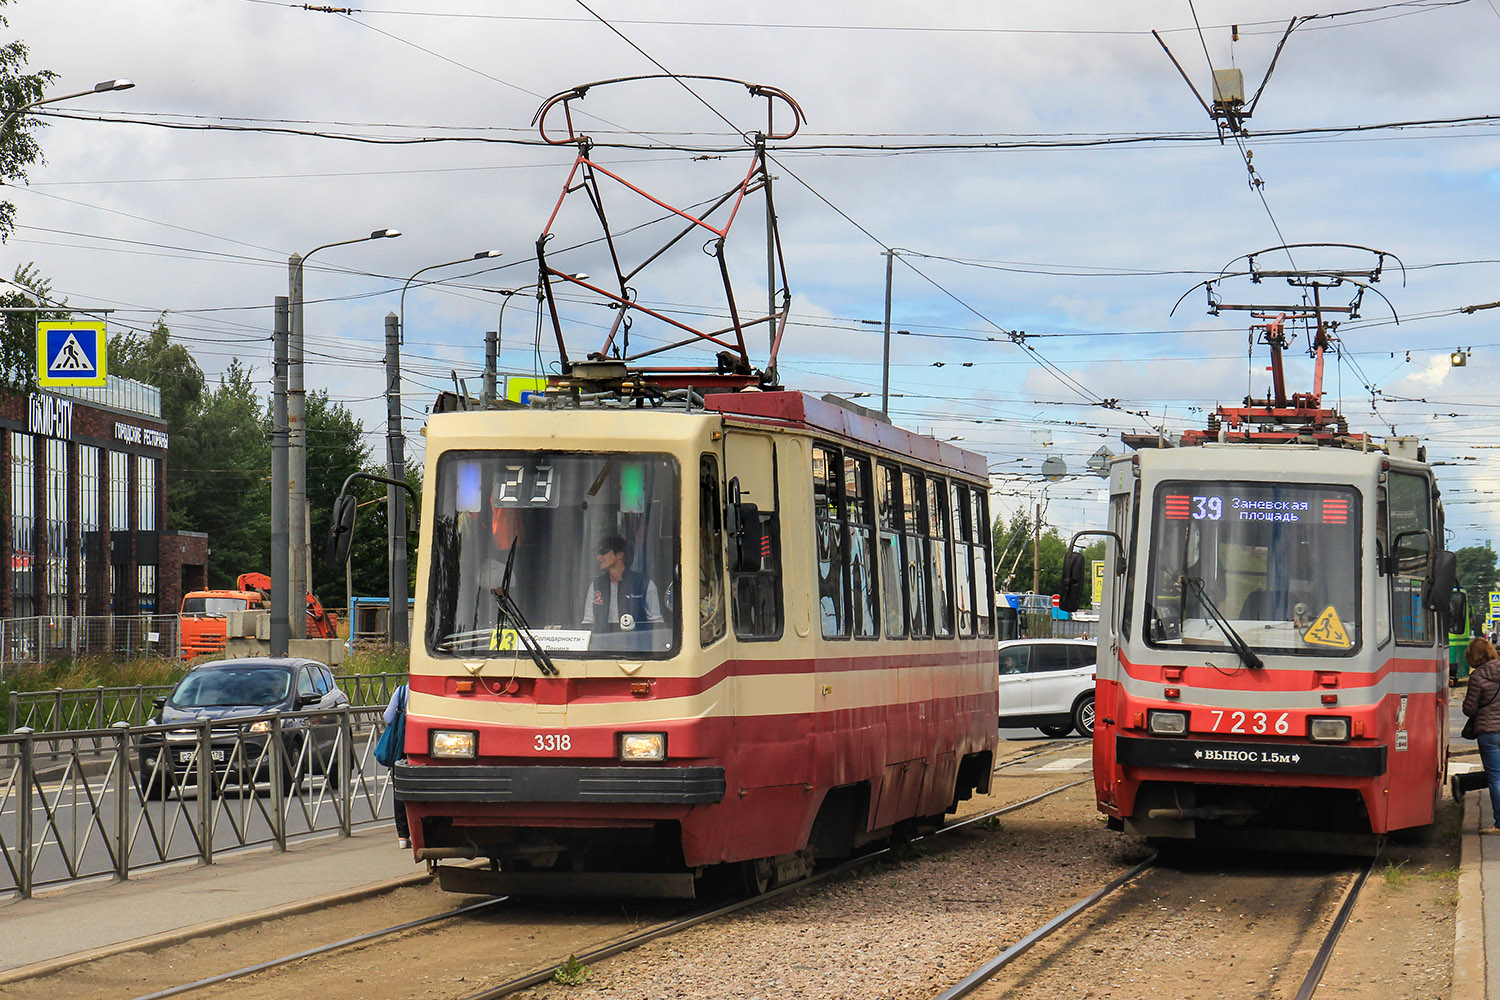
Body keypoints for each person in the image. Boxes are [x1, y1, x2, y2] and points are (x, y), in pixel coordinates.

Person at [581, 535, 662, 631]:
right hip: (602, 639)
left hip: (636, 639)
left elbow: (656, 623)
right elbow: (588, 622)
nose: (598, 558)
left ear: (619, 555)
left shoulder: (644, 583)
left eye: (603, 552)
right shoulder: (596, 585)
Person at [1462, 636, 1500, 833]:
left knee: (1496, 777)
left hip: (1489, 732)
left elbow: (1469, 709)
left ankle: (1499, 823)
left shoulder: (1477, 677)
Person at [384, 682, 410, 848]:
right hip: (428, 747)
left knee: (399, 790)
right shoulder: (432, 691)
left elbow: (388, 717)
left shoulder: (402, 692)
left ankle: (403, 836)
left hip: (402, 747)